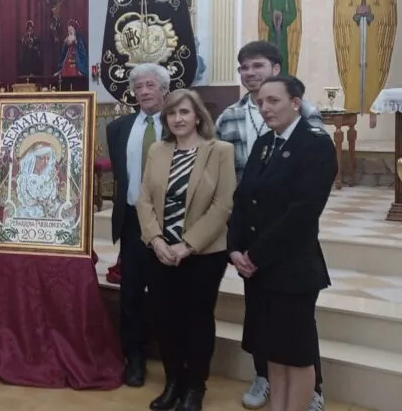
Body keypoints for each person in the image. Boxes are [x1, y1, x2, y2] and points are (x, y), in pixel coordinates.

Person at [215, 41, 325, 410]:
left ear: (296, 102)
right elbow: (243, 199)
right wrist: (234, 248)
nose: (265, 108)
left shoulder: (316, 144)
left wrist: (256, 254)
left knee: (296, 351)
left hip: (291, 265)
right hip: (257, 266)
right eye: (261, 103)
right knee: (273, 352)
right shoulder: (265, 143)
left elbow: (303, 212)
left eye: (273, 101)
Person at [137, 89, 236, 411]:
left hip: (203, 254)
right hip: (160, 251)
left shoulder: (219, 150)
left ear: (197, 116)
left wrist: (188, 244)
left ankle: (195, 387)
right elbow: (145, 200)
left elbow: (222, 205)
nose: (178, 119)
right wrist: (156, 240)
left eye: (184, 112)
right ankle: (172, 383)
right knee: (164, 319)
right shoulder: (157, 149)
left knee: (196, 320)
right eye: (171, 113)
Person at [104, 62, 168, 387]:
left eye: (150, 86)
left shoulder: (178, 126)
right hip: (131, 223)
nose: (144, 91)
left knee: (165, 294)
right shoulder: (118, 129)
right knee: (130, 295)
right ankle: (135, 360)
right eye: (139, 86)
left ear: (163, 90)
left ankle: (173, 364)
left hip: (169, 226)